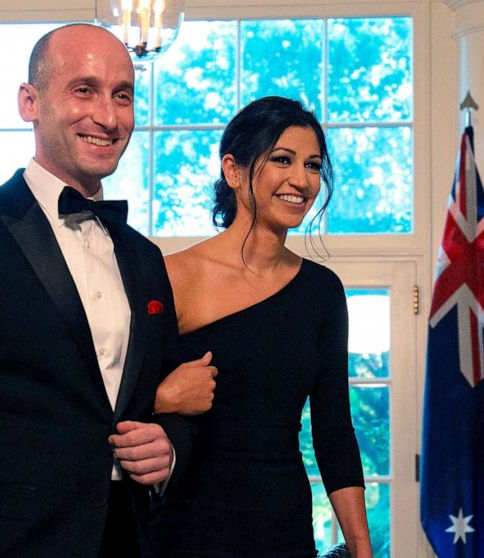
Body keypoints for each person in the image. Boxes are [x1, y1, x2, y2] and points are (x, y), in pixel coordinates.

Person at [0, 23, 214, 558]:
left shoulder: (145, 259)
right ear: (29, 102)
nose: (107, 116)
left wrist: (170, 444)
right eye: (84, 89)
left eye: (121, 95)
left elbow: (162, 400)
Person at [151, 96, 373, 558]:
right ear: (233, 170)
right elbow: (111, 402)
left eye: (313, 165)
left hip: (282, 527)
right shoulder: (171, 276)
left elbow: (334, 432)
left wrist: (361, 549)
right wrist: (160, 398)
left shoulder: (322, 292)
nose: (302, 180)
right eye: (282, 160)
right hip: (185, 529)